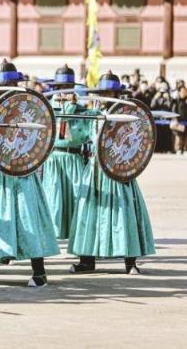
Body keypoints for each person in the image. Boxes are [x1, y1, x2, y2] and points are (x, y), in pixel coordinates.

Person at [0, 60, 59, 287]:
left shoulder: (32, 111)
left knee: (27, 218)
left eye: (10, 85)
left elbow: (44, 134)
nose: (4, 91)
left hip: (22, 171)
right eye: (1, 87)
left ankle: (39, 271)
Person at [68, 72, 155, 274]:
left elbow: (139, 138)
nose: (106, 94)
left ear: (117, 93)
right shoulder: (92, 115)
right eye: (103, 92)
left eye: (110, 92)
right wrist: (70, 107)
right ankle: (87, 261)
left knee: (124, 215)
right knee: (89, 214)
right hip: (96, 169)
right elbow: (75, 136)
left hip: (120, 171)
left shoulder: (129, 115)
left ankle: (130, 262)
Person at [41, 65, 93, 239]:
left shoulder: (81, 109)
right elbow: (58, 126)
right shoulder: (47, 107)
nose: (64, 92)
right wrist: (68, 107)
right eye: (61, 88)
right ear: (55, 88)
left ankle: (78, 236)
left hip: (74, 158)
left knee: (78, 197)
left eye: (68, 88)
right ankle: (53, 238)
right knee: (54, 199)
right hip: (54, 158)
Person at [171, 86, 187, 154]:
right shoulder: (176, 100)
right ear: (179, 92)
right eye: (182, 91)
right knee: (179, 136)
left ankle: (185, 149)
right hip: (179, 121)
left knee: (186, 136)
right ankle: (178, 149)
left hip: (186, 121)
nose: (184, 93)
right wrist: (176, 119)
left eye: (185, 91)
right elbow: (174, 110)